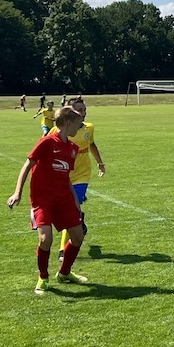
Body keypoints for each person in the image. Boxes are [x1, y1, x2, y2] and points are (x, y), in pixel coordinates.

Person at [6, 105, 90, 295]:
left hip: (64, 200)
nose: (80, 126)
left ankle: (65, 273)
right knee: (45, 239)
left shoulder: (73, 148)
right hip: (42, 200)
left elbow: (66, 178)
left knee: (78, 237)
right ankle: (43, 277)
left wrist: (75, 202)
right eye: (78, 123)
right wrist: (17, 193)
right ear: (68, 123)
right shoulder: (46, 142)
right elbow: (27, 165)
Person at [57, 97, 106, 264]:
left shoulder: (89, 128)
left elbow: (92, 144)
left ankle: (63, 249)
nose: (83, 113)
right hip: (64, 176)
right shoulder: (60, 130)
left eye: (84, 110)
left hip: (82, 175)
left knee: (70, 209)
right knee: (68, 211)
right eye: (79, 110)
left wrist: (100, 163)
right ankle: (80, 219)